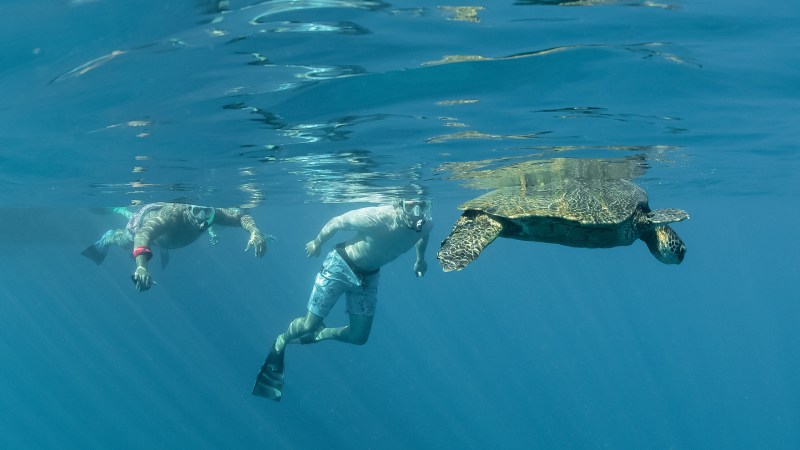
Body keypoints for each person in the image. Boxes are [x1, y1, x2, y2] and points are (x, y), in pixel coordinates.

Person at [252, 199, 433, 401]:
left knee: (359, 337)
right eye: (410, 206)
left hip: (369, 277)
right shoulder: (379, 217)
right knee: (308, 324)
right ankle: (282, 340)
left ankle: (323, 334)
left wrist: (420, 259)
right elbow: (337, 221)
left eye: (422, 207)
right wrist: (317, 243)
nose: (417, 213)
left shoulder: (425, 224)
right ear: (399, 204)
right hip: (340, 265)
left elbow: (423, 236)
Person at [81, 202, 270, 291]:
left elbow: (240, 217)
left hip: (169, 239)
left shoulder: (211, 212)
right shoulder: (173, 215)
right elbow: (143, 235)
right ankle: (108, 235)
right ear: (189, 209)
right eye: (197, 212)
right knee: (124, 240)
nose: (203, 220)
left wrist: (255, 231)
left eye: (208, 215)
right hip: (144, 222)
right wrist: (141, 266)